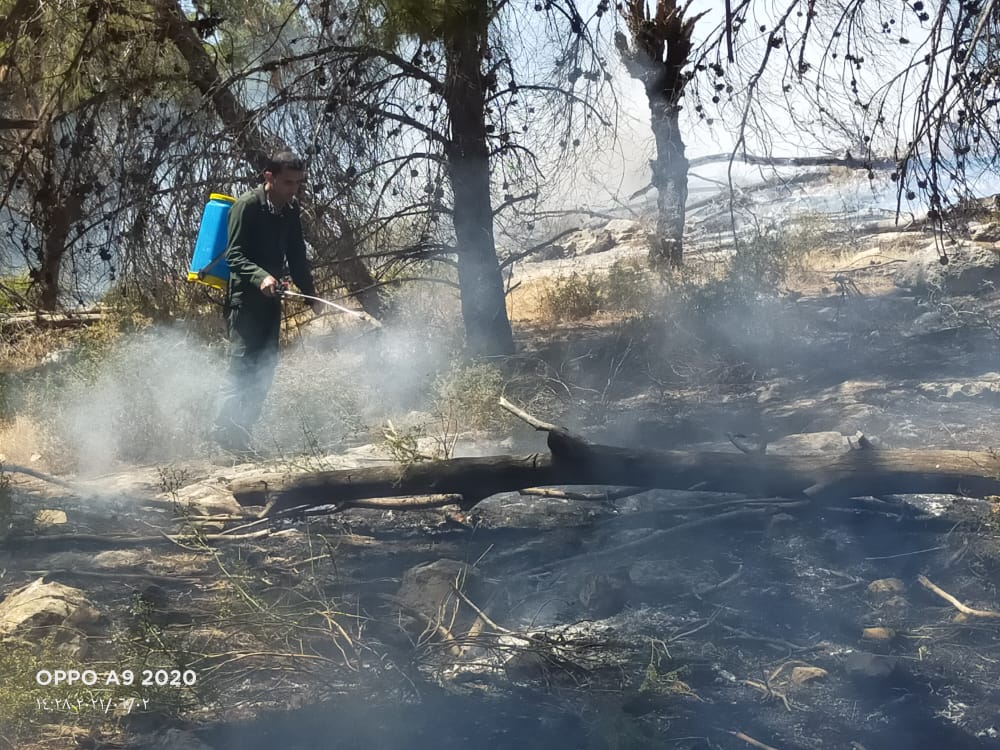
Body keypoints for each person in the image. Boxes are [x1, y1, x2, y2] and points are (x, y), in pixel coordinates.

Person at [212, 151, 322, 454]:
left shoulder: (290, 209)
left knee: (265, 368)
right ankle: (223, 434)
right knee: (242, 367)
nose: (294, 190)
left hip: (272, 302)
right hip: (244, 303)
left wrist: (311, 294)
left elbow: (297, 255)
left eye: (298, 183)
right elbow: (234, 255)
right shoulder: (246, 206)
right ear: (268, 177)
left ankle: (241, 436)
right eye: (288, 182)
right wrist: (261, 276)